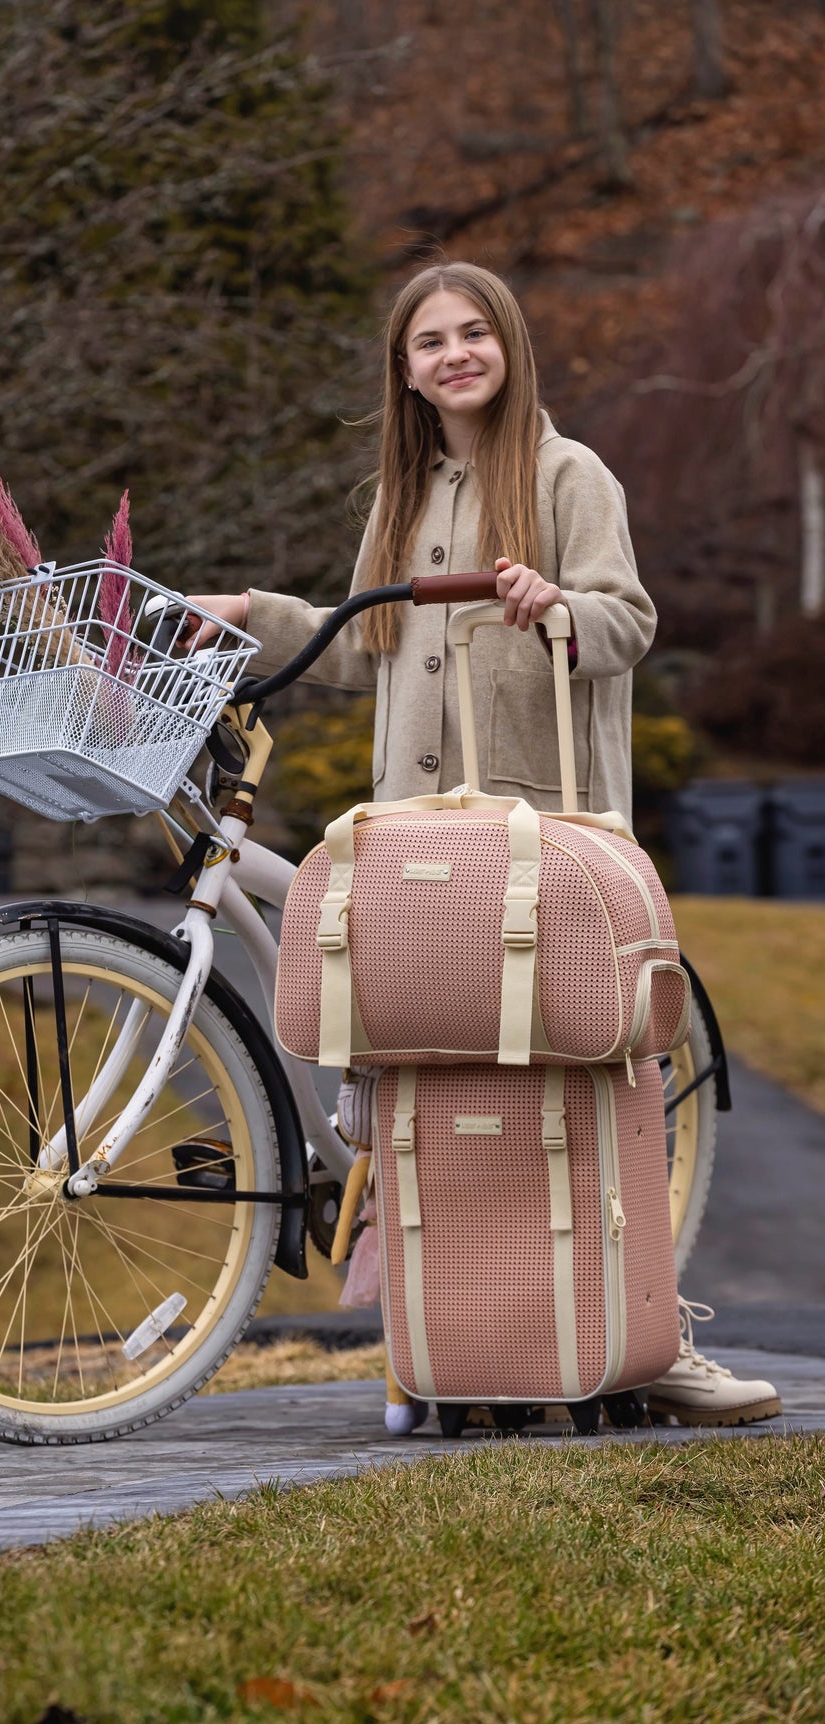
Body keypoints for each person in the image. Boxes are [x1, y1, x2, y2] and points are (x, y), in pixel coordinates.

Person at [185, 258, 781, 1435]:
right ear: (404, 372)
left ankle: (654, 1331)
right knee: (439, 1091)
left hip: (541, 840)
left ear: (507, 343)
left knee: (588, 1077)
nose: (453, 354)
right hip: (419, 848)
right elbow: (365, 643)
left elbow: (628, 621)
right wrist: (259, 614)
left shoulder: (570, 475)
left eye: (472, 333)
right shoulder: (403, 496)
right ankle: (470, 1333)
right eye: (428, 342)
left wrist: (554, 601)